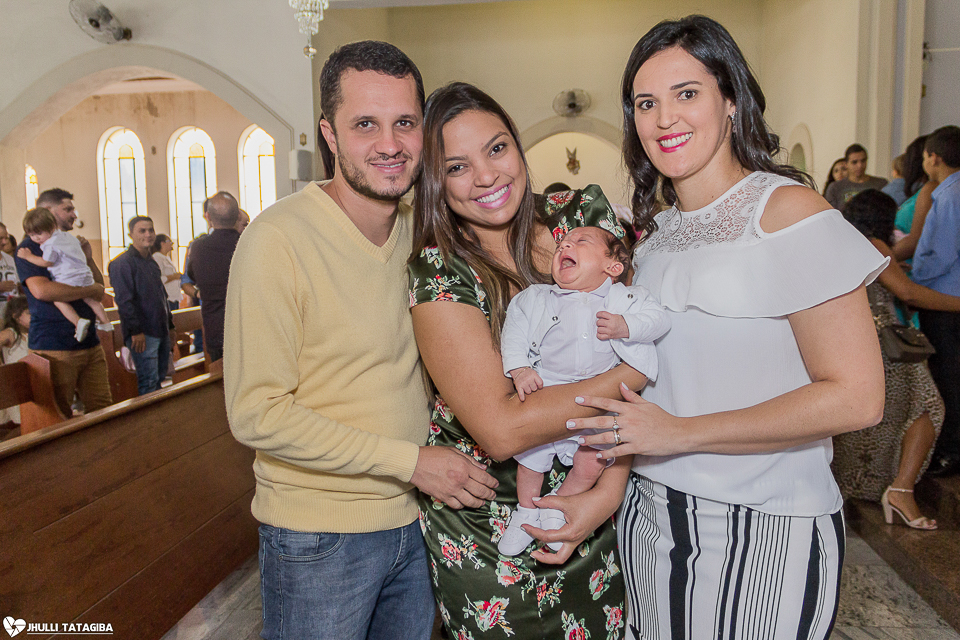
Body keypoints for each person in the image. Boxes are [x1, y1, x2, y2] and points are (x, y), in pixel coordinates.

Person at [566, 16, 887, 639]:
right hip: (650, 518)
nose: (665, 119)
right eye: (646, 103)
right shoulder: (656, 237)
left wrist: (681, 433)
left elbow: (857, 396)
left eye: (687, 93)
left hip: (764, 521)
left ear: (731, 101)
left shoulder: (788, 212)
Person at [225, 42, 497, 640]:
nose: (390, 144)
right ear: (329, 133)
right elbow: (256, 413)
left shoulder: (419, 231)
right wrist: (412, 463)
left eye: (404, 123)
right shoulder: (278, 241)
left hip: (419, 519)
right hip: (320, 535)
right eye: (365, 125)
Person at [409, 82, 644, 639]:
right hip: (492, 526)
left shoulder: (578, 214)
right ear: (434, 180)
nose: (487, 176)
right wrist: (629, 372)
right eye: (457, 166)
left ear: (518, 145)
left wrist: (604, 498)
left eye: (496, 149)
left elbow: (638, 339)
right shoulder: (441, 270)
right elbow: (503, 428)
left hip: (596, 496)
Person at [497, 225, 668, 556]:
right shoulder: (536, 298)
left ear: (612, 267)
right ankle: (525, 512)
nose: (565, 246)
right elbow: (514, 330)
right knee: (531, 459)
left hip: (599, 402)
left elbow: (659, 321)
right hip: (546, 390)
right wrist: (519, 369)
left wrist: (626, 326)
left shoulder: (627, 299)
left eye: (580, 242)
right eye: (562, 243)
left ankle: (556, 507)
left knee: (593, 461)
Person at [833, 189, 956, 529]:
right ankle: (901, 489)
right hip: (889, 346)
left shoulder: (844, 244)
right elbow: (908, 293)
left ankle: (870, 485)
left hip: (858, 341)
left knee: (877, 419)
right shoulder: (874, 244)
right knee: (929, 407)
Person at [15, 187, 111, 418]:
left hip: (89, 343)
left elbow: (98, 285)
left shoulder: (70, 242)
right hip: (55, 345)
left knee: (104, 409)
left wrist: (88, 258)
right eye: (67, 209)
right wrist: (90, 290)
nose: (74, 215)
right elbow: (43, 291)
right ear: (47, 210)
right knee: (59, 416)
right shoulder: (30, 248)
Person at [911, 125, 960, 477]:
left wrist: (914, 280)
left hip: (944, 298)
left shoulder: (948, 194)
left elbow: (941, 254)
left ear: (934, 158)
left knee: (948, 378)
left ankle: (950, 451)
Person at [17, 208, 113, 341]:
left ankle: (78, 322)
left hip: (68, 278)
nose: (36, 238)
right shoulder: (69, 238)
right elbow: (41, 291)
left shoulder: (49, 244)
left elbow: (47, 262)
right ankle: (106, 322)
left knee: (59, 299)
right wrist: (90, 289)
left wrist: (29, 256)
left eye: (38, 234)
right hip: (83, 276)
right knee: (91, 299)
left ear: (50, 227)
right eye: (31, 235)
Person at [108, 216, 173, 396]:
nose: (148, 234)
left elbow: (161, 296)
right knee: (148, 382)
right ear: (131, 235)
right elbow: (124, 301)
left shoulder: (151, 262)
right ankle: (150, 423)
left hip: (160, 329)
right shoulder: (122, 263)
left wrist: (171, 326)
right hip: (143, 334)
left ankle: (159, 420)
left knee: (159, 379)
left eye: (151, 230)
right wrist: (136, 331)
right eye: (142, 231)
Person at [186, 192, 241, 362]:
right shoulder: (248, 243)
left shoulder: (198, 248)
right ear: (237, 216)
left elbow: (192, 276)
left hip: (216, 327)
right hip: (246, 326)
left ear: (208, 216)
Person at [825, 143, 888, 209]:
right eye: (854, 162)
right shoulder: (835, 188)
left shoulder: (881, 184)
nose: (859, 166)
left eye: (863, 161)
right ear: (846, 164)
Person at [0, 295, 30, 432]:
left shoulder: (35, 333)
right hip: (17, 385)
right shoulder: (11, 334)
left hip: (34, 380)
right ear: (16, 316)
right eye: (29, 313)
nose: (34, 316)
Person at [151, 234, 182, 312]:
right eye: (169, 241)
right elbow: (157, 279)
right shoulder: (157, 258)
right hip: (166, 298)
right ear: (162, 243)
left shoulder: (166, 257)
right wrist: (174, 277)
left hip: (173, 297)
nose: (172, 243)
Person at [0, 223, 20, 317]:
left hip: (10, 315)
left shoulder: (9, 259)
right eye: (0, 238)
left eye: (6, 238)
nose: (4, 242)